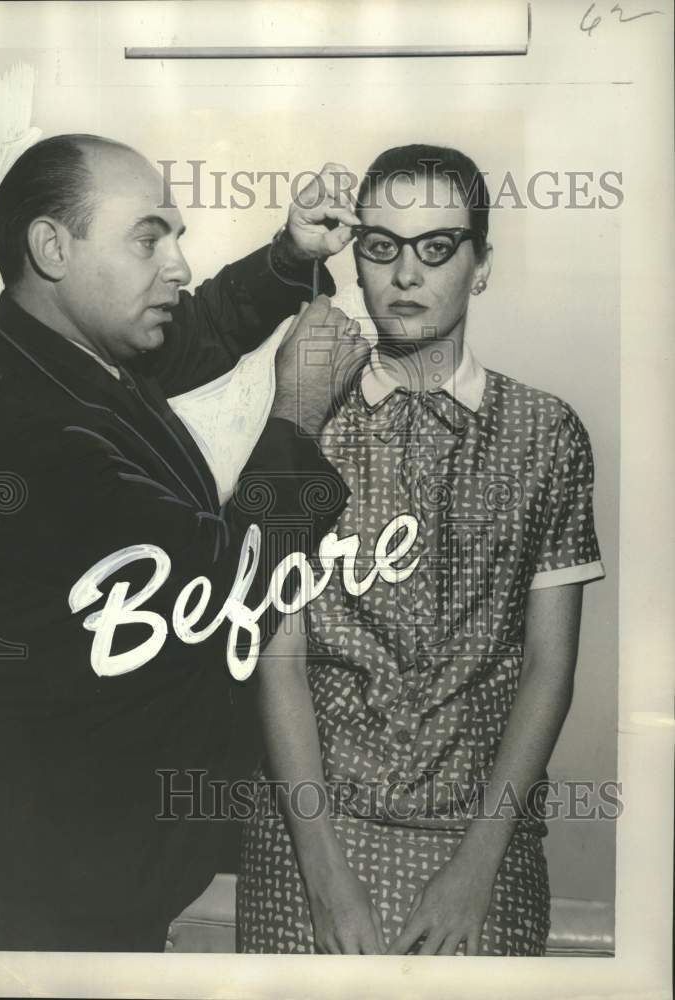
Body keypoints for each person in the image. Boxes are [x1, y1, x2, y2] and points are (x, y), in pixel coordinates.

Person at [0, 133, 371, 952]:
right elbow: (231, 588)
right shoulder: (27, 426)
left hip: (81, 869)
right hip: (49, 905)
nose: (178, 266)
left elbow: (190, 328)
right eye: (147, 238)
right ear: (52, 248)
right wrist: (298, 415)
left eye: (175, 236)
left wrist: (288, 256)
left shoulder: (50, 351)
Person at [236, 144, 606, 956]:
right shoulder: (303, 418)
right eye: (381, 247)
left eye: (436, 247)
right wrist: (327, 880)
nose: (406, 274)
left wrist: (477, 866)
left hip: (481, 842)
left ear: (480, 265)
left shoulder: (545, 434)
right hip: (307, 834)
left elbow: (549, 667)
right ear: (355, 263)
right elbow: (277, 651)